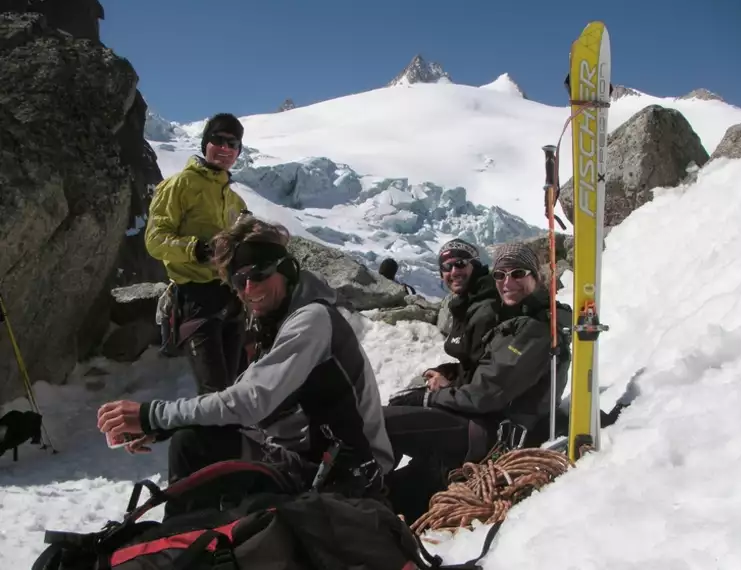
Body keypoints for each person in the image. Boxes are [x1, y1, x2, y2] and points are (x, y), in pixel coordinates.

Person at [98, 216, 395, 517]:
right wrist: (167, 427)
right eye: (239, 281)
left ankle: (181, 547)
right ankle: (184, 543)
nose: (249, 288)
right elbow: (244, 403)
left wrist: (155, 416)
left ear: (286, 269)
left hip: (350, 471)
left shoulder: (313, 320)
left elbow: (251, 401)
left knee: (194, 448)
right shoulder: (273, 321)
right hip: (305, 457)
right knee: (194, 443)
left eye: (259, 274)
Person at [384, 242, 573, 523]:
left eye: (518, 273)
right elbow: (483, 377)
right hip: (483, 422)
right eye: (500, 275)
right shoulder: (517, 320)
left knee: (384, 422)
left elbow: (484, 395)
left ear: (536, 277)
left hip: (492, 435)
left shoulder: (534, 329)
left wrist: (430, 398)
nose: (507, 283)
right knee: (396, 488)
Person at [145, 113, 250, 395]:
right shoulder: (179, 185)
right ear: (205, 143)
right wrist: (197, 250)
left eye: (233, 144)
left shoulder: (236, 200)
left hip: (232, 299)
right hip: (196, 299)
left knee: (240, 389)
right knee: (215, 393)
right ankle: (212, 438)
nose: (226, 149)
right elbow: (155, 239)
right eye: (219, 140)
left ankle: (239, 440)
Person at [420, 238, 501, 391]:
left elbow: (492, 382)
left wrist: (448, 386)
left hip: (482, 405)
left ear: (475, 266)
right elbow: (473, 365)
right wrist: (446, 371)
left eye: (461, 263)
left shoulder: (487, 309)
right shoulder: (468, 302)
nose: (454, 271)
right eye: (446, 266)